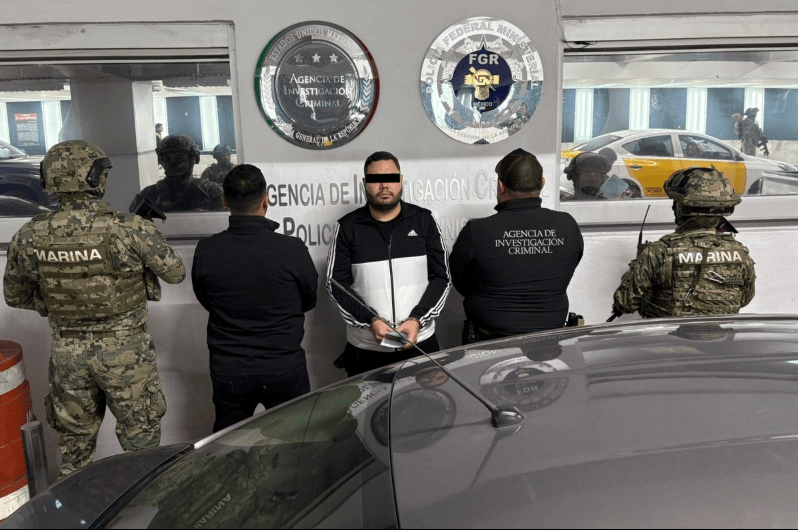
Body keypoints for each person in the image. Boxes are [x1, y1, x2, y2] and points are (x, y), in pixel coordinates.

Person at [3, 140, 186, 477]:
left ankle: (74, 509)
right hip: (126, 353)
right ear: (95, 177)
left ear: (49, 179)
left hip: (68, 354)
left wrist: (58, 303)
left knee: (74, 453)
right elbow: (175, 273)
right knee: (142, 450)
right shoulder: (130, 228)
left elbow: (15, 296)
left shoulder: (29, 235)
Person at [191, 164, 317, 432]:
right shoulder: (292, 249)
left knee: (228, 446)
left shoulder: (206, 250)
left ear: (224, 201)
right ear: (266, 200)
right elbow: (309, 300)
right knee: (295, 444)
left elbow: (207, 301)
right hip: (283, 366)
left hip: (230, 370)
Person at [326, 151, 450, 377]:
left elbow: (441, 278)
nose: (384, 185)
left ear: (400, 180)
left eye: (391, 178)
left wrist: (417, 320)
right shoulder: (347, 227)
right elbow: (336, 284)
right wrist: (371, 320)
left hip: (420, 344)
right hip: (366, 349)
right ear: (365, 183)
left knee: (425, 401)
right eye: (375, 180)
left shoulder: (424, 220)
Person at [450, 148, 584, 344]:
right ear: (543, 183)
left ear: (501, 186)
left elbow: (461, 281)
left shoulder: (477, 230)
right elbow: (571, 264)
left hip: (490, 346)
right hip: (550, 343)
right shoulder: (567, 225)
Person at [612, 167, 756, 318]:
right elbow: (744, 299)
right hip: (721, 333)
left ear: (681, 207)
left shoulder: (659, 252)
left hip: (668, 332)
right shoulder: (740, 252)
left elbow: (625, 302)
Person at [129, 134, 224, 213]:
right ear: (161, 161)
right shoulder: (148, 194)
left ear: (193, 159)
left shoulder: (210, 191)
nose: (172, 163)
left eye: (179, 159)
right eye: (166, 159)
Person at [563, 148, 635, 199]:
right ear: (575, 178)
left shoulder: (605, 203)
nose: (593, 180)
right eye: (587, 176)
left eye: (597, 176)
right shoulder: (565, 204)